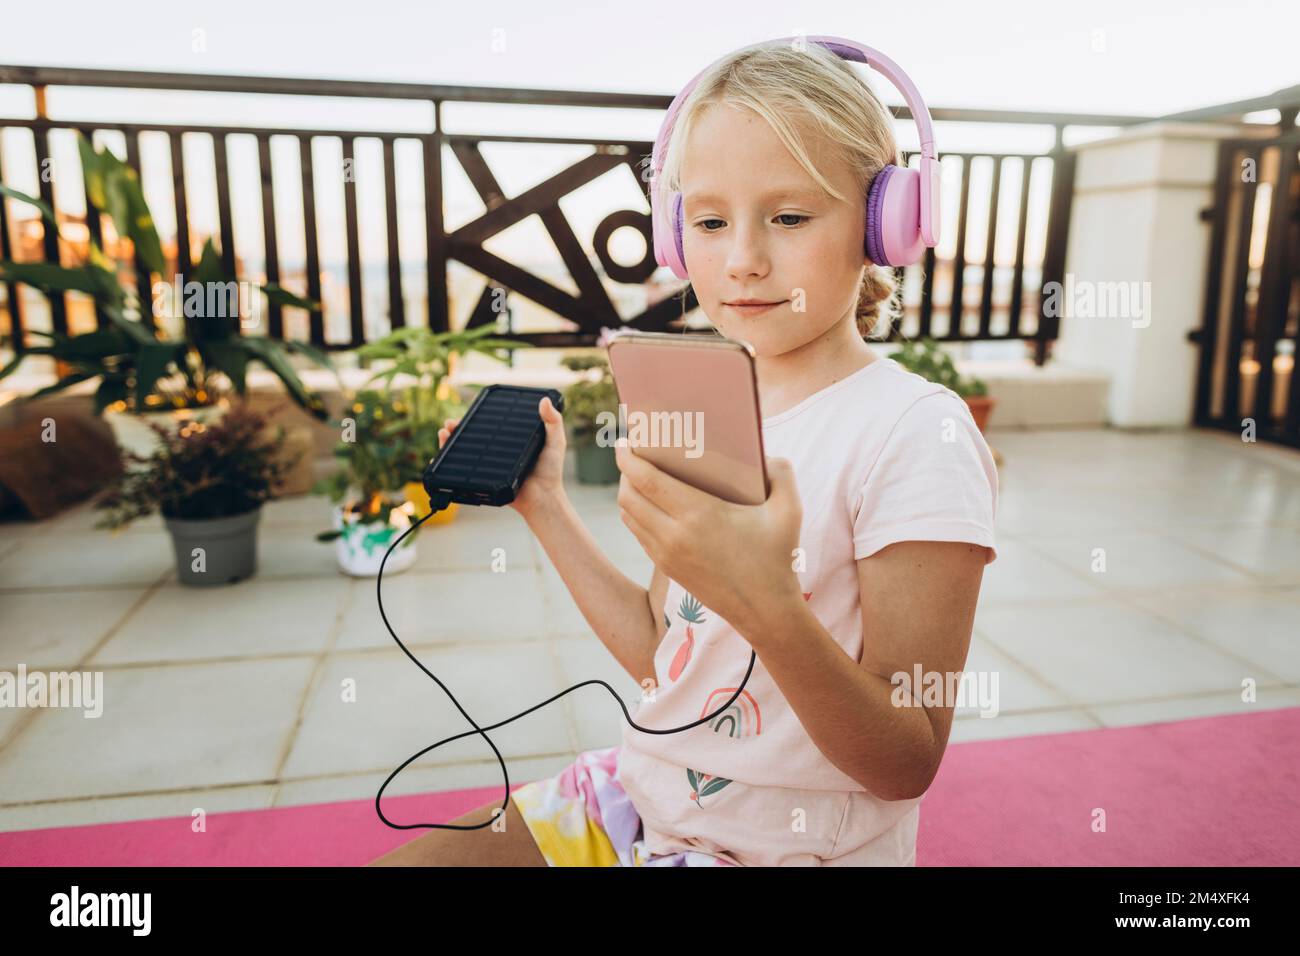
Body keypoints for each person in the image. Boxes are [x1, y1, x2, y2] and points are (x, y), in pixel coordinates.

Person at [370, 38, 997, 868]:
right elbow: (667, 655)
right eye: (708, 220)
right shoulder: (703, 401)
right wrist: (546, 509)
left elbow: (905, 760)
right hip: (639, 800)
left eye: (791, 216)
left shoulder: (918, 432)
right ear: (673, 235)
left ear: (887, 222)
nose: (741, 259)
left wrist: (768, 603)